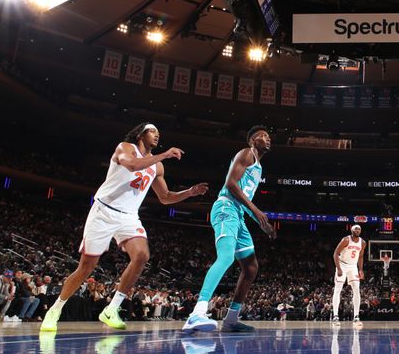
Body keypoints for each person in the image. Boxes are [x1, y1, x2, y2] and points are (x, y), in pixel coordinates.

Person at [41, 123, 208, 332]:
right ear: (141, 134)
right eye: (152, 131)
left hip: (129, 217)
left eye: (158, 133)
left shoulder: (157, 166)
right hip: (104, 211)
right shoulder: (125, 148)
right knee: (86, 267)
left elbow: (165, 198)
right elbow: (132, 165)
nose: (157, 135)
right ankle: (55, 309)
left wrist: (189, 193)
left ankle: (112, 309)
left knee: (142, 255)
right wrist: (164, 155)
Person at [183, 125, 276, 333]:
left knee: (251, 266)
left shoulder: (259, 168)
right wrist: (257, 210)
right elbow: (231, 184)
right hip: (225, 207)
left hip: (239, 215)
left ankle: (231, 319)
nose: (268, 139)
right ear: (252, 141)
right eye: (263, 136)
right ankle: (197, 313)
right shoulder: (246, 154)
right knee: (226, 257)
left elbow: (245, 199)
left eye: (269, 137)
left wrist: (263, 223)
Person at [331, 225, 366, 324]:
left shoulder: (362, 243)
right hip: (342, 264)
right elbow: (335, 254)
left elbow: (361, 256)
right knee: (338, 289)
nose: (358, 230)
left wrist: (360, 270)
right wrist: (338, 268)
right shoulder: (346, 240)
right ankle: (335, 316)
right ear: (351, 230)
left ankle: (356, 316)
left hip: (353, 267)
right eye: (356, 229)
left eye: (359, 229)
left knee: (356, 290)